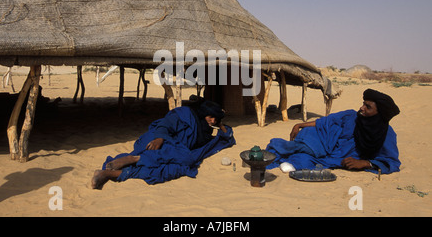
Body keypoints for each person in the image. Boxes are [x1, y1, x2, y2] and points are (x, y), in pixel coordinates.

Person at [92, 100, 235, 189]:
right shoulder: (185, 113)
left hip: (173, 150)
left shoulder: (205, 132)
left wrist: (220, 122)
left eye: (216, 119)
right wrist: (160, 138)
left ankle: (109, 173)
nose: (212, 121)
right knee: (187, 160)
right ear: (203, 113)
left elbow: (227, 136)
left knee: (171, 170)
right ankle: (134, 158)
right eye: (210, 117)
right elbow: (165, 124)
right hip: (159, 140)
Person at [266, 89, 401, 175]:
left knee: (303, 160)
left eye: (368, 107)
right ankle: (270, 155)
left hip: (337, 158)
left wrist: (365, 163)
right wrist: (299, 124)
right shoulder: (351, 116)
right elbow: (326, 122)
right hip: (325, 145)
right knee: (305, 140)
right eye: (363, 103)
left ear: (379, 113)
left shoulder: (386, 134)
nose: (362, 107)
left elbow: (391, 161)